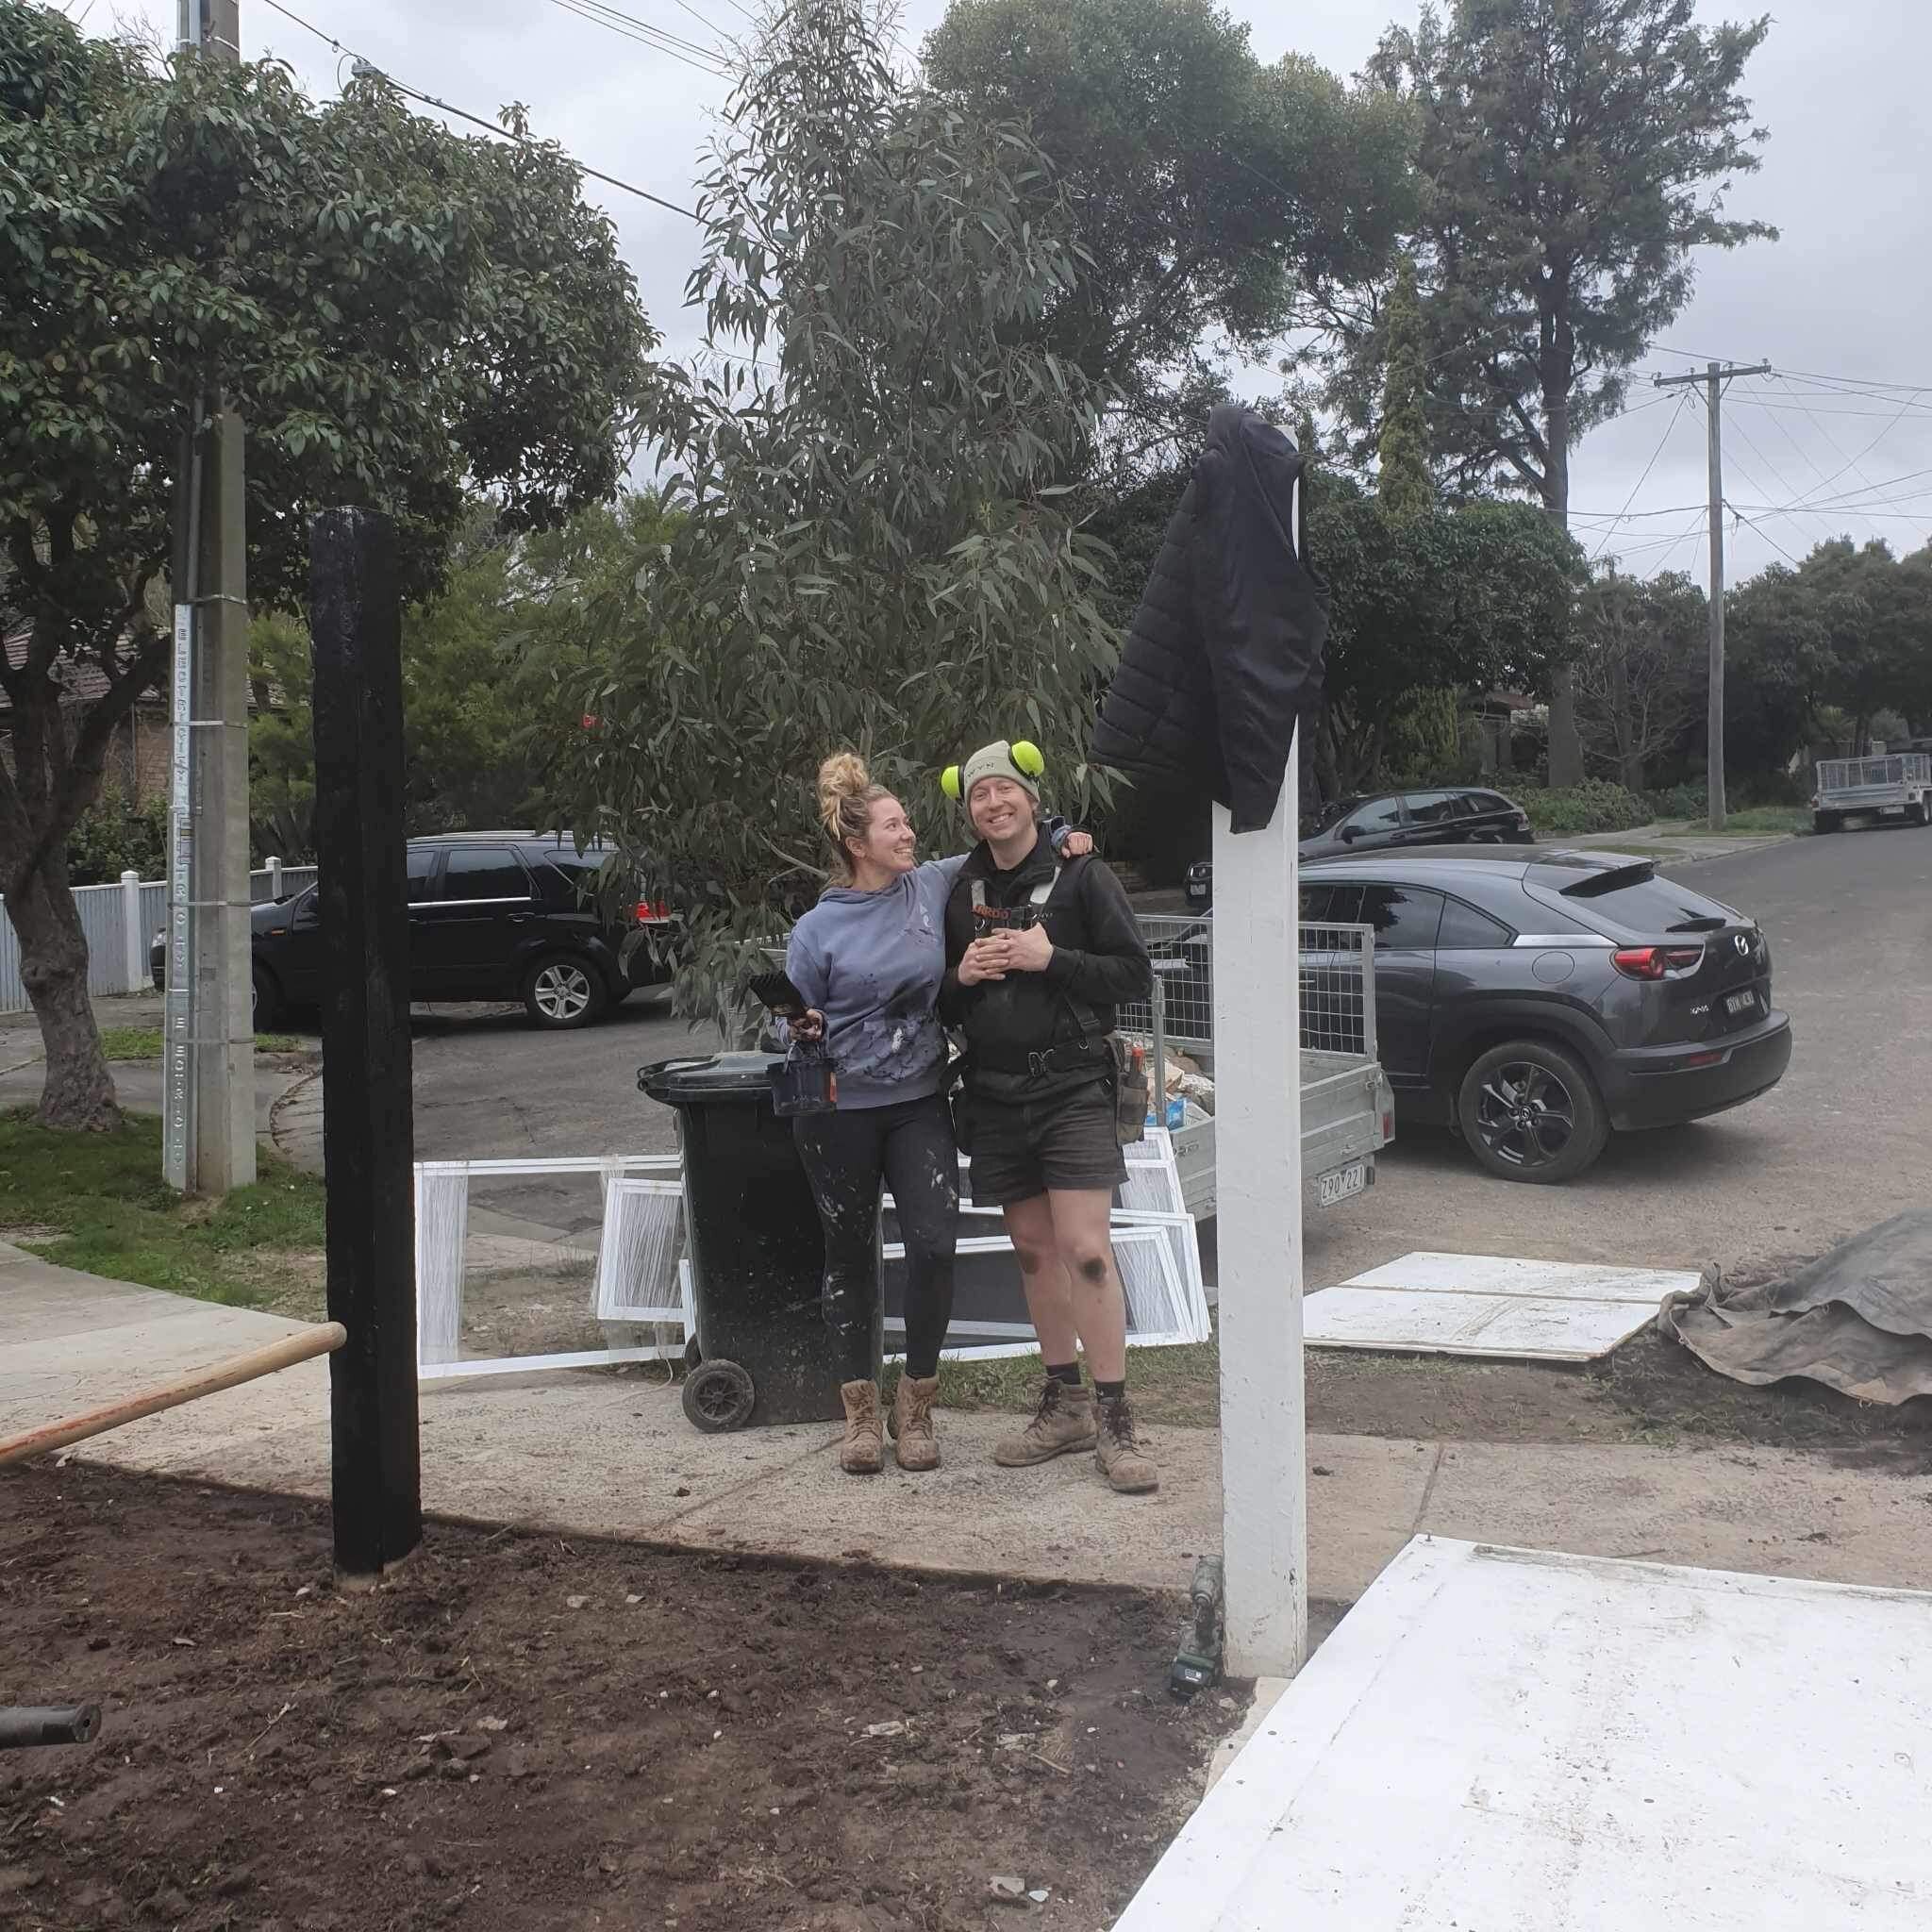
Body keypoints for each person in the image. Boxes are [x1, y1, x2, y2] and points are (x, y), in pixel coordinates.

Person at [785, 753, 1090, 1478]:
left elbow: (1004, 839)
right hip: (839, 1111)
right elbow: (790, 1019)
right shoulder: (817, 928)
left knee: (933, 1246)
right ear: (858, 844)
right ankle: (860, 1416)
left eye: (909, 822)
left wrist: (1065, 829)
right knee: (849, 1255)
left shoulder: (929, 885)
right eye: (895, 826)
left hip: (918, 1102)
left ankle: (915, 1407)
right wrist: (802, 1027)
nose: (909, 833)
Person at [939, 739, 1158, 1494]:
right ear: (967, 810)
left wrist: (1051, 959)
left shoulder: (1080, 875)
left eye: (1004, 790)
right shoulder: (959, 886)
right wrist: (959, 977)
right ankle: (1065, 1405)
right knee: (1033, 1252)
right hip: (995, 1094)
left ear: (1033, 798)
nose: (993, 804)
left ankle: (1117, 1417)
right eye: (978, 796)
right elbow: (940, 1001)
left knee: (1086, 1250)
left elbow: (1133, 973)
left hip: (1070, 1088)